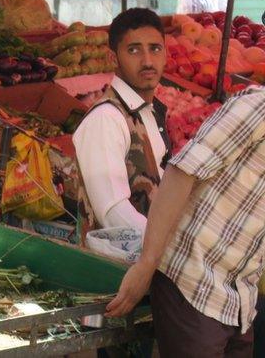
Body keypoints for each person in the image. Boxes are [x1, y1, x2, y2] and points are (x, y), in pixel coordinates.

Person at [107, 84, 265, 357]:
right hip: (193, 283)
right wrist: (147, 264)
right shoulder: (257, 108)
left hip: (240, 300)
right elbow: (182, 172)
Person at [73, 8, 170, 232]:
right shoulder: (105, 119)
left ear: (166, 54)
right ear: (113, 58)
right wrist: (165, 248)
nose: (147, 61)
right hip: (117, 264)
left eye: (155, 49)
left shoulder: (148, 111)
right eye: (134, 50)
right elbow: (112, 213)